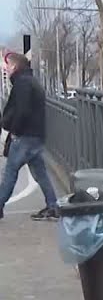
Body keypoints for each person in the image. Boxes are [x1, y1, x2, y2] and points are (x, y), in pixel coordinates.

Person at [0, 51, 59, 222]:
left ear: (15, 66)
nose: (6, 68)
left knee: (10, 173)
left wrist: (14, 131)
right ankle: (53, 206)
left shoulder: (22, 84)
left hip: (24, 136)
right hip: (35, 135)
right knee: (40, 173)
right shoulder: (30, 81)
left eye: (8, 65)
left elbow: (22, 111)